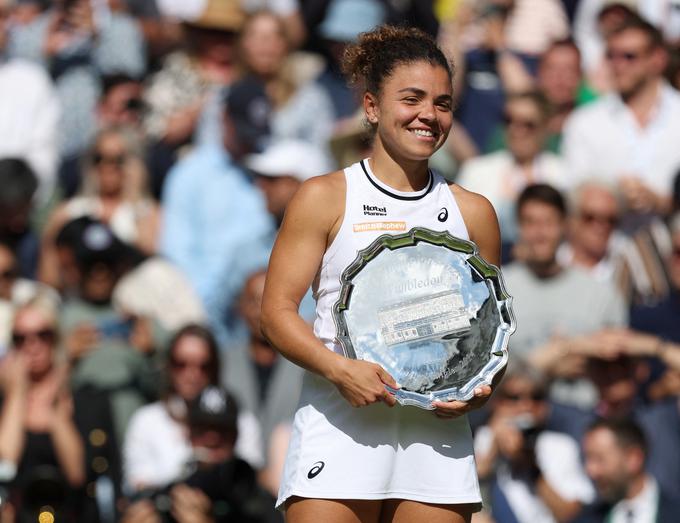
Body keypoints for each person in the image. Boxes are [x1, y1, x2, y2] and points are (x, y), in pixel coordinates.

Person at [261, 25, 500, 522]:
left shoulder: (474, 212)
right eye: (411, 98)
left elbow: (489, 333)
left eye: (443, 103)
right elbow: (276, 314)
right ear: (371, 106)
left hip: (436, 442)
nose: (428, 116)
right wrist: (338, 370)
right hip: (338, 427)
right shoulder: (324, 196)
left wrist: (476, 391)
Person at [122, 324, 263, 493]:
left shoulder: (242, 422)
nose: (192, 374)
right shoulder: (146, 421)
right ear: (168, 366)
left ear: (215, 368)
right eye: (181, 364)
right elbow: (139, 484)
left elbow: (250, 482)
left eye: (203, 366)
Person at [474, 362, 594, 523]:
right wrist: (492, 451)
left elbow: (569, 515)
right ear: (497, 402)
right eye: (514, 398)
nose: (526, 406)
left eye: (536, 397)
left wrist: (531, 466)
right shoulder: (481, 437)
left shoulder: (560, 446)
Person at [0, 296, 85, 521]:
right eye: (21, 338)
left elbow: (76, 474)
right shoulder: (5, 399)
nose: (32, 345)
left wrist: (56, 405)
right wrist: (16, 395)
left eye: (42, 335)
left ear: (55, 338)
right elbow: (5, 464)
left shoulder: (80, 395)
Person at [580, 417, 680, 522]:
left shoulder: (675, 513)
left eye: (599, 459)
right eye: (587, 458)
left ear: (634, 458)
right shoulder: (586, 518)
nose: (590, 470)